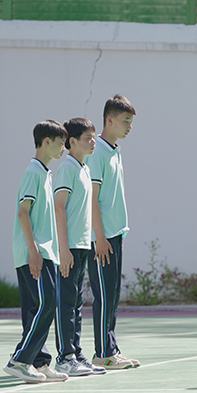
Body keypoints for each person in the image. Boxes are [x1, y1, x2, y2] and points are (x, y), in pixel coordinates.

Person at [4, 120, 70, 384]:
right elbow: (23, 213)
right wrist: (33, 251)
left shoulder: (45, 173)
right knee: (47, 303)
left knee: (38, 307)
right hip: (35, 253)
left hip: (45, 252)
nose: (64, 148)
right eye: (61, 143)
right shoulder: (33, 172)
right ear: (46, 142)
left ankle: (39, 362)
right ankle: (20, 360)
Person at [87, 95, 140, 370]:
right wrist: (99, 238)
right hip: (102, 238)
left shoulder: (113, 151)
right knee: (104, 296)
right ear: (110, 120)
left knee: (113, 295)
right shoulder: (97, 153)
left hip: (115, 235)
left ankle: (111, 349)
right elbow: (92, 199)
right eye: (126, 121)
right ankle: (102, 353)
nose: (130, 127)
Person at [53, 117, 106, 376]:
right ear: (72, 142)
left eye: (94, 137)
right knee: (65, 302)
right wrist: (63, 249)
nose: (93, 142)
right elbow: (59, 207)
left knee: (76, 302)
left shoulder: (84, 169)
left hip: (82, 245)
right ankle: (65, 357)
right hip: (69, 246)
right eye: (88, 138)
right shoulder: (67, 168)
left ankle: (76, 353)